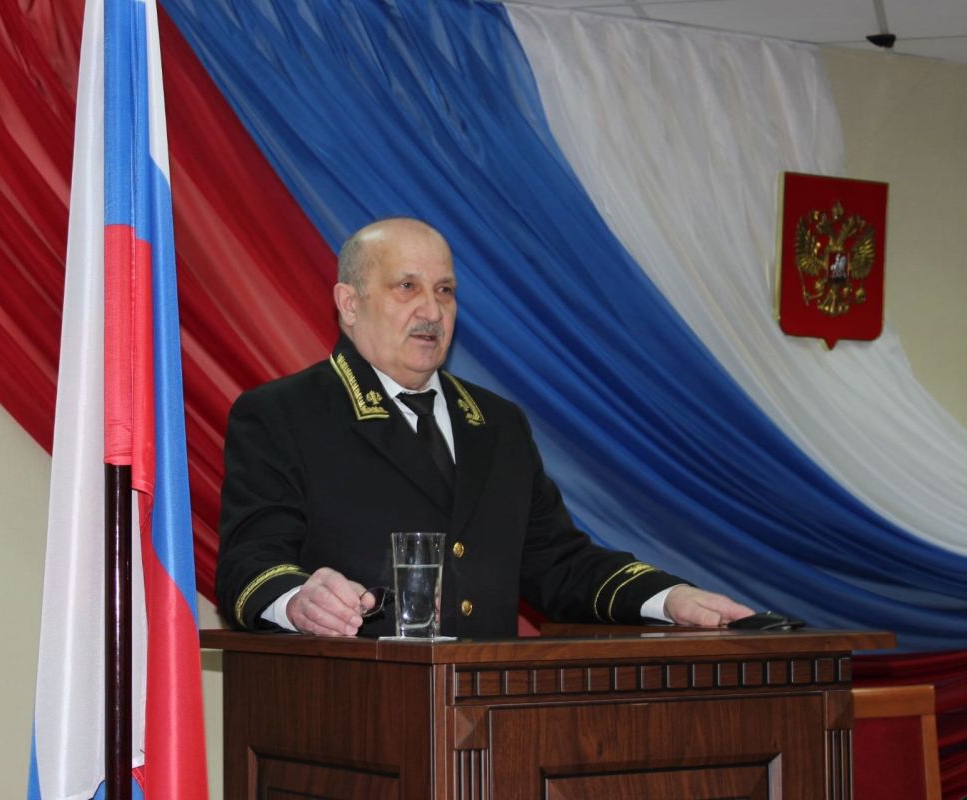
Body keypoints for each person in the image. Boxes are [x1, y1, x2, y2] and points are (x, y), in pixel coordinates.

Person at [216, 217, 752, 637]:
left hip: (489, 716)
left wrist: (669, 599)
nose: (432, 311)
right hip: (355, 713)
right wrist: (299, 601)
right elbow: (249, 565)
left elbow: (557, 563)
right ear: (350, 304)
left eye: (445, 290)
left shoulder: (497, 424)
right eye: (407, 287)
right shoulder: (283, 414)